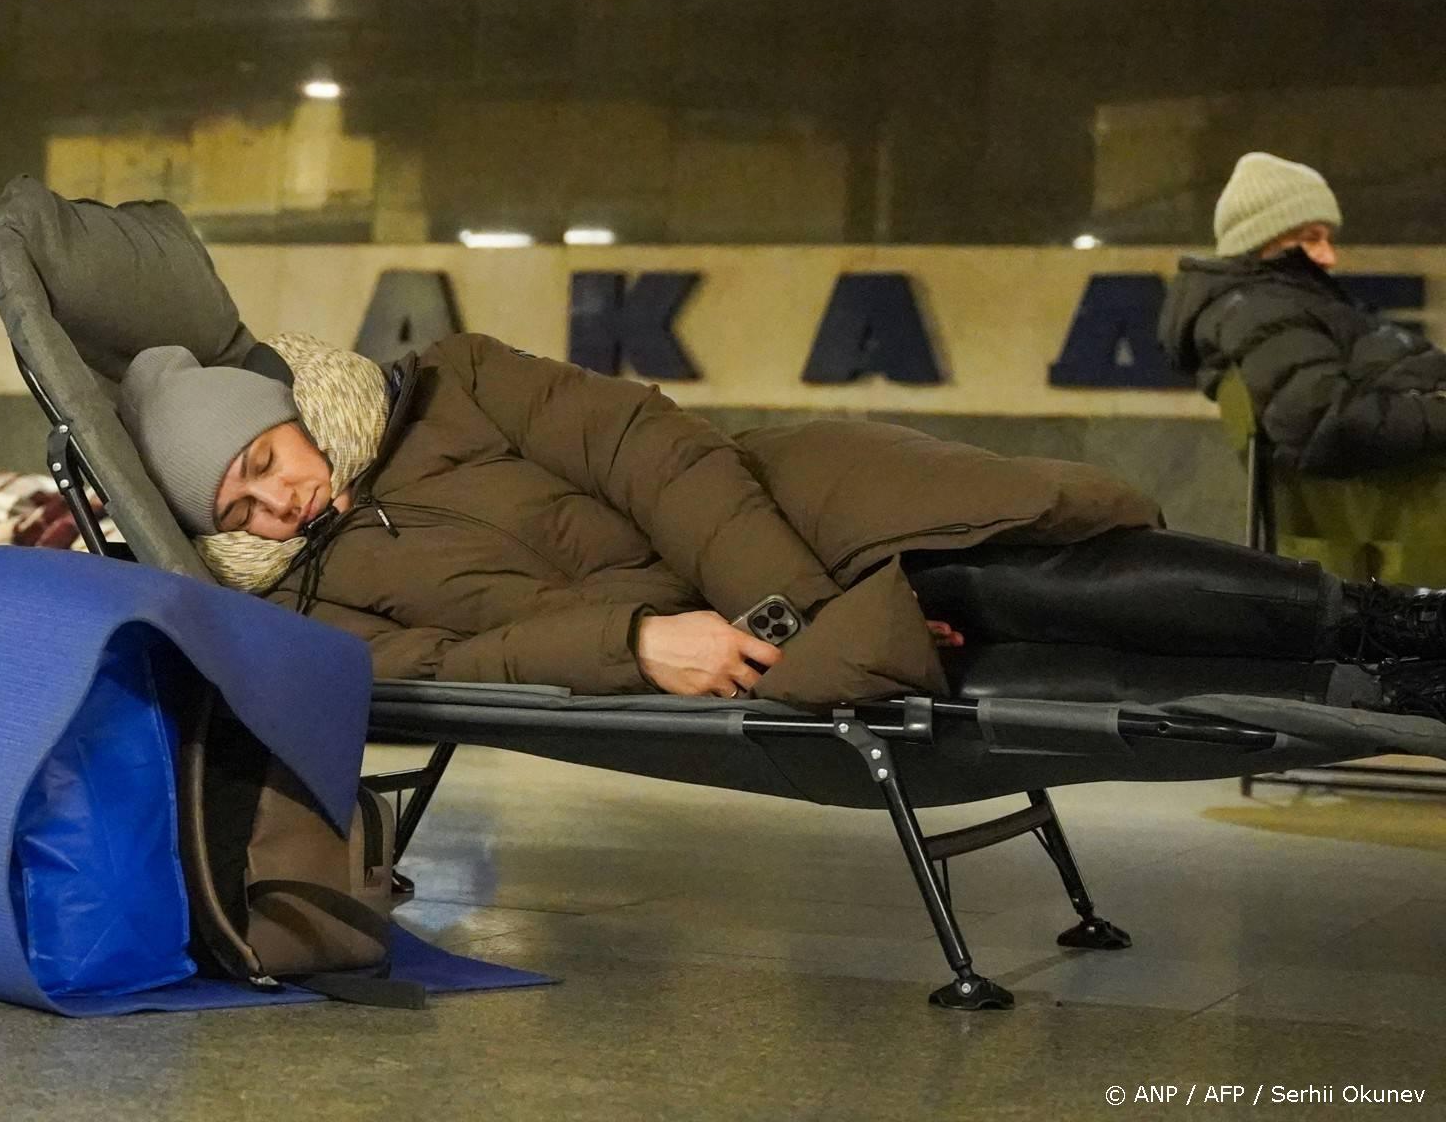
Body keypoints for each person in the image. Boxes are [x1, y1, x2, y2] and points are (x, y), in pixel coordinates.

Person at [117, 333, 1446, 720]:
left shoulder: (454, 379)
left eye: (264, 459)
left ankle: (1389, 623)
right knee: (960, 634)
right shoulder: (307, 594)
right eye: (238, 506)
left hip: (764, 507)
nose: (274, 499)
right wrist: (633, 643)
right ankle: (1364, 681)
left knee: (998, 549)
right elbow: (433, 668)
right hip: (685, 629)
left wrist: (780, 600)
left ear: (289, 410)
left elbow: (647, 446)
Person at [1159, 151, 1446, 475]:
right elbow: (1325, 420)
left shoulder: (1280, 308)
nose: (1329, 256)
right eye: (1311, 239)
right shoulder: (1261, 313)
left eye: (1327, 239)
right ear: (1263, 240)